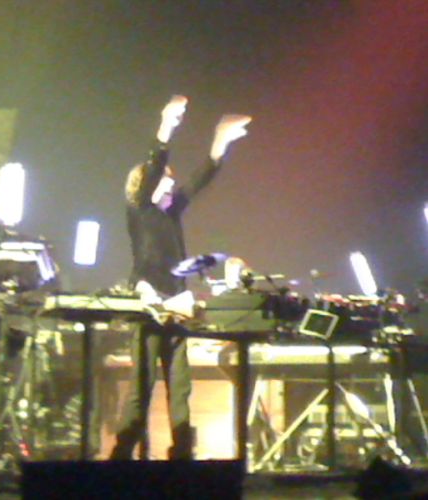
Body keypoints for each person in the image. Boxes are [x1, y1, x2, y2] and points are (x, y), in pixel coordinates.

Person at [110, 95, 251, 459]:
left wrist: (220, 142)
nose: (171, 186)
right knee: (142, 388)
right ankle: (121, 455)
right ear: (146, 185)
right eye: (165, 182)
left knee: (180, 388)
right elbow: (156, 164)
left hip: (176, 307)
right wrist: (167, 123)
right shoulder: (140, 210)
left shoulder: (171, 215)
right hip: (148, 308)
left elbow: (200, 180)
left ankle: (182, 452)